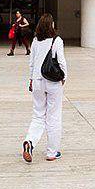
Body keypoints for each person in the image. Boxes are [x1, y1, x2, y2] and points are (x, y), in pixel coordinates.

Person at [22, 13, 67, 163]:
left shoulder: (35, 41)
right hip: (53, 81)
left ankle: (30, 141)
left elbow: (32, 63)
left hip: (37, 81)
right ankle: (51, 152)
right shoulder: (57, 40)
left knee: (38, 115)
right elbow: (61, 62)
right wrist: (64, 77)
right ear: (51, 25)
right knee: (53, 116)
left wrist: (31, 79)